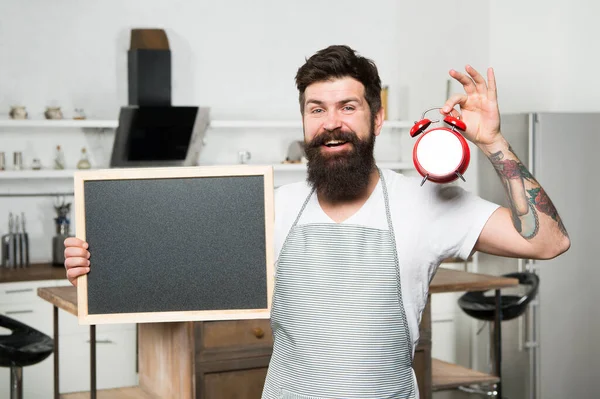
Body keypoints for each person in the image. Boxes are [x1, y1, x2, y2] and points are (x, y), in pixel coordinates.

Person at [63, 45, 570, 399]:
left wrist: (493, 145)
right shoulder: (271, 206)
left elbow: (548, 241)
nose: (331, 122)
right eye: (316, 109)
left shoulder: (427, 201)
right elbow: (169, 270)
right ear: (304, 121)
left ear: (376, 115)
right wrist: (99, 263)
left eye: (348, 107)